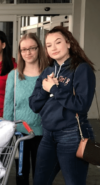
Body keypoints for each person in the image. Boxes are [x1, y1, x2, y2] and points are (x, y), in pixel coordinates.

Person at [29, 26, 95, 185]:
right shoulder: (47, 71)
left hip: (71, 135)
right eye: (49, 45)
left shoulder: (81, 69)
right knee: (39, 181)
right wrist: (46, 91)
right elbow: (34, 105)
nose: (53, 48)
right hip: (48, 135)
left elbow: (81, 105)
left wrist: (53, 89)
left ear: (69, 43)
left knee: (74, 182)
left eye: (58, 42)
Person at [3, 33, 48, 185]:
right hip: (20, 132)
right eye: (23, 49)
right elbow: (8, 105)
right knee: (22, 173)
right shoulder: (14, 76)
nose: (27, 53)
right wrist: (7, 130)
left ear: (39, 49)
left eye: (32, 48)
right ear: (20, 53)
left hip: (44, 132)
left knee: (40, 173)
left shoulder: (48, 74)